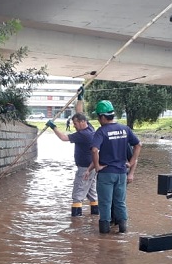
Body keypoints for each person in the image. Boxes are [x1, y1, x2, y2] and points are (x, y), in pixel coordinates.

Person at [87, 100, 141, 234]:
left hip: (106, 173)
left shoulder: (101, 131)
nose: (98, 120)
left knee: (105, 204)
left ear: (102, 117)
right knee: (120, 202)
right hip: (122, 173)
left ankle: (104, 236)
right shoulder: (125, 129)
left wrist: (98, 167)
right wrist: (131, 162)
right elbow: (138, 145)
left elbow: (94, 150)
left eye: (98, 117)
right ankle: (123, 231)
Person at [45, 86, 98, 217]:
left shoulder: (83, 135)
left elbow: (63, 138)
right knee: (92, 194)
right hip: (92, 168)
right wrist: (80, 98)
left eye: (75, 123)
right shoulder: (89, 127)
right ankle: (95, 217)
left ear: (82, 122)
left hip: (85, 168)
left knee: (77, 195)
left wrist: (53, 127)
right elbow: (79, 112)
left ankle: (76, 223)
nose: (73, 125)